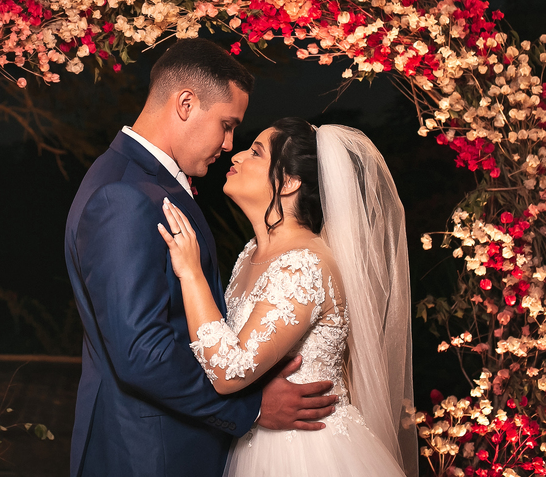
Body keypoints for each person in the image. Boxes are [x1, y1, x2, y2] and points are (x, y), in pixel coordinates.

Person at [64, 40, 339, 477]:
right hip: (148, 454)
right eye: (227, 126)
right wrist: (250, 407)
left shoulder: (145, 182)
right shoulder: (124, 195)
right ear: (186, 104)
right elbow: (141, 353)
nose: (230, 145)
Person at [157, 118, 418, 477]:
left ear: (290, 182)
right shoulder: (251, 252)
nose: (236, 157)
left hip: (308, 454)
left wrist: (191, 274)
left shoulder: (303, 265)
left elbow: (230, 372)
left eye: (256, 153)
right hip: (255, 441)